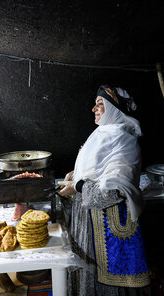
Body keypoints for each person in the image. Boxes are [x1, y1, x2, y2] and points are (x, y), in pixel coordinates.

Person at [58, 85, 150, 295]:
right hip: (90, 220)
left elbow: (113, 191)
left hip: (109, 228)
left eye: (100, 104)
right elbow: (95, 168)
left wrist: (78, 186)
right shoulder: (103, 133)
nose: (94, 108)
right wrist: (75, 175)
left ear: (115, 109)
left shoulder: (124, 139)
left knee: (109, 284)